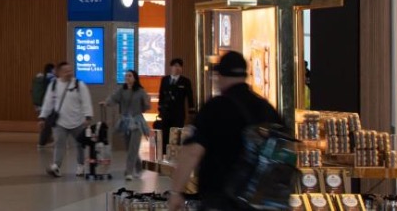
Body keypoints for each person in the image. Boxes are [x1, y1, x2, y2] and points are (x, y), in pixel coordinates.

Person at [169, 51, 283, 211]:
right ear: (245, 75)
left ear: (220, 76)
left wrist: (176, 192)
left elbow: (192, 152)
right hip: (260, 203)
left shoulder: (215, 107)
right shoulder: (267, 109)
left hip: (221, 200)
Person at [40, 60, 95, 178]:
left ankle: (80, 165)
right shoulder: (54, 85)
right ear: (59, 73)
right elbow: (48, 102)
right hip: (60, 122)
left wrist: (88, 116)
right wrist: (43, 117)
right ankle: (56, 166)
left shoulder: (79, 85)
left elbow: (86, 101)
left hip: (78, 121)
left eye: (70, 70)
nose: (69, 73)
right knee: (59, 144)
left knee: (80, 144)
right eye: (66, 71)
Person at [107, 69, 152, 181]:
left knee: (133, 147)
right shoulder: (122, 90)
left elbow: (147, 105)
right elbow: (113, 98)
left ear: (135, 78)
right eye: (126, 76)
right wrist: (107, 102)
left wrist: (145, 105)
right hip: (125, 122)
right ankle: (139, 167)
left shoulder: (141, 91)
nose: (127, 78)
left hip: (137, 122)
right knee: (129, 148)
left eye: (130, 76)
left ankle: (129, 172)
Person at [158, 57, 195, 134]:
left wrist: (191, 111)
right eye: (175, 65)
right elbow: (161, 94)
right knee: (165, 133)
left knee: (177, 134)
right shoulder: (165, 80)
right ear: (171, 67)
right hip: (166, 112)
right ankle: (165, 146)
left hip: (179, 113)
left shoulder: (185, 81)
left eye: (179, 66)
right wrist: (160, 109)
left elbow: (190, 97)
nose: (177, 68)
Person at [32, 62, 56, 149]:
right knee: (47, 124)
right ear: (52, 69)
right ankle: (42, 143)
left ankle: (46, 141)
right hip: (47, 104)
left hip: (39, 104)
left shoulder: (40, 78)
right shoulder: (52, 78)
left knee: (46, 123)